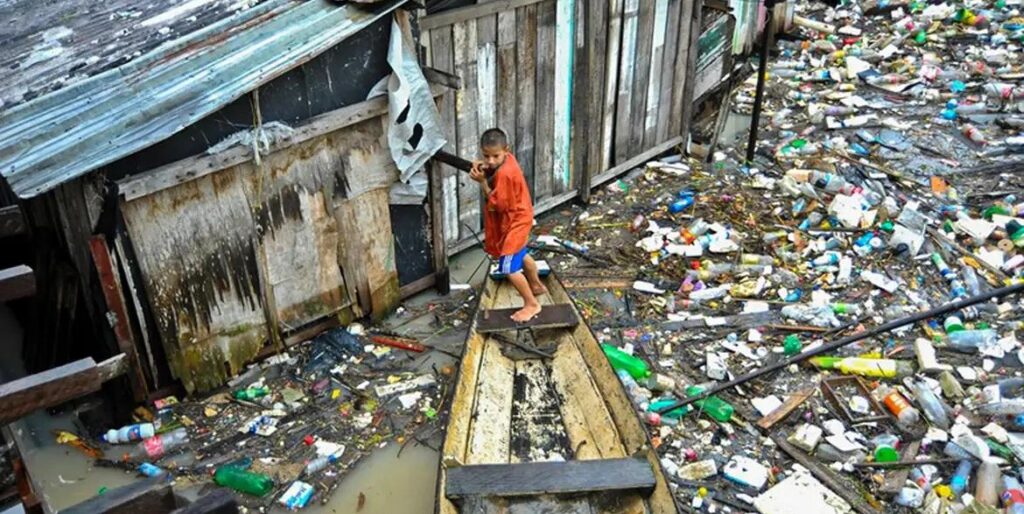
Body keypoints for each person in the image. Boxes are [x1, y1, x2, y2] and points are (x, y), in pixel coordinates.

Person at [470, 128, 547, 322]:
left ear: (506, 150)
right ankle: (536, 285)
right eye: (486, 156)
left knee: (508, 267)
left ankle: (531, 304)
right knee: (521, 253)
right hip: (522, 215)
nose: (491, 161)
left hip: (515, 220)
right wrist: (485, 167)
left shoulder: (505, 174)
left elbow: (499, 205)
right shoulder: (508, 160)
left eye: (495, 156)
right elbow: (494, 166)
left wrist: (483, 182)